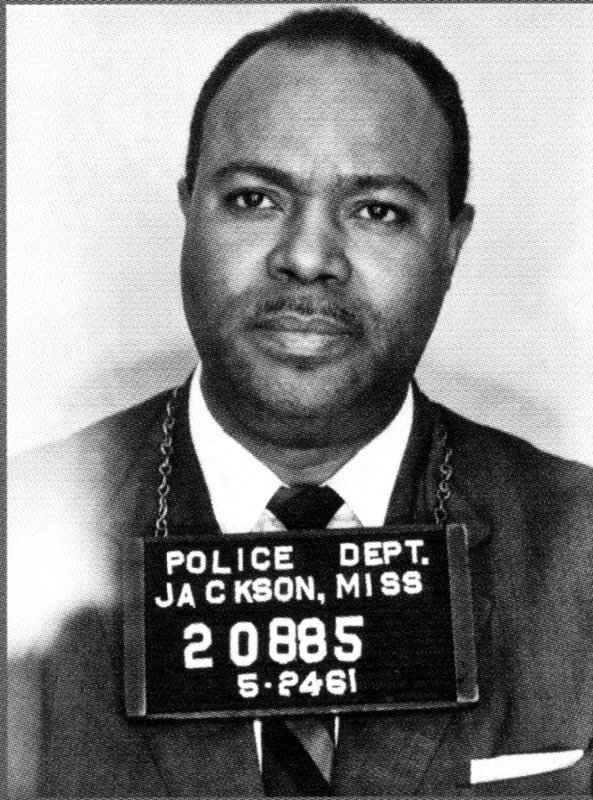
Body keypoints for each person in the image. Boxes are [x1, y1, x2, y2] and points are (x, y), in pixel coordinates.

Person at [8, 7, 593, 798]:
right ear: (189, 210)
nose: (308, 258)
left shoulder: (583, 549)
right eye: (254, 199)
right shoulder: (18, 532)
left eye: (377, 210)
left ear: (450, 245)